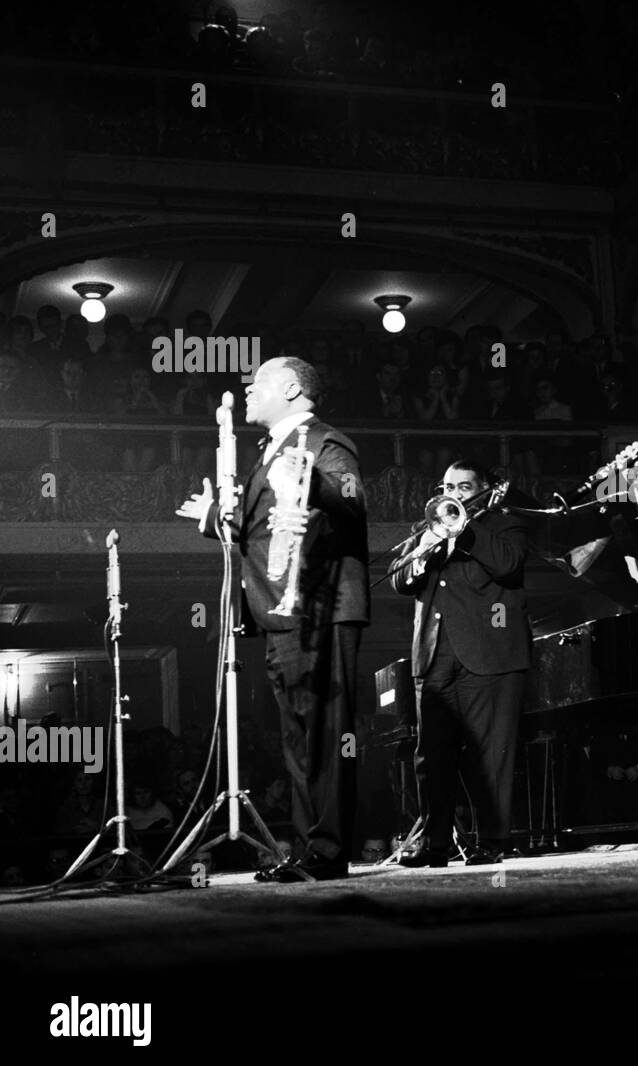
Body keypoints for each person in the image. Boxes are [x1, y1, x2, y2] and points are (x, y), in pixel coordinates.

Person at [176, 356, 369, 881]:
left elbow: (352, 498)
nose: (248, 390)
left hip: (318, 610)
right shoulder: (272, 450)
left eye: (257, 382)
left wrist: (311, 483)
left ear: (290, 388)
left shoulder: (323, 440)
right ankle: (312, 848)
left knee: (325, 736)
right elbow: (264, 533)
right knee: (297, 738)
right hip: (283, 613)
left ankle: (327, 852)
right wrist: (215, 519)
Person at [390, 458, 530, 867]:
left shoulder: (505, 523)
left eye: (463, 488)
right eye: (447, 487)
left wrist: (465, 528)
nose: (452, 495)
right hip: (434, 656)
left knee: (490, 754)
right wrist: (425, 549)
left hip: (489, 654)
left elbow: (508, 565)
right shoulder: (426, 530)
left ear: (484, 489)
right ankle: (436, 843)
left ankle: (492, 840)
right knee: (431, 755)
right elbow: (399, 580)